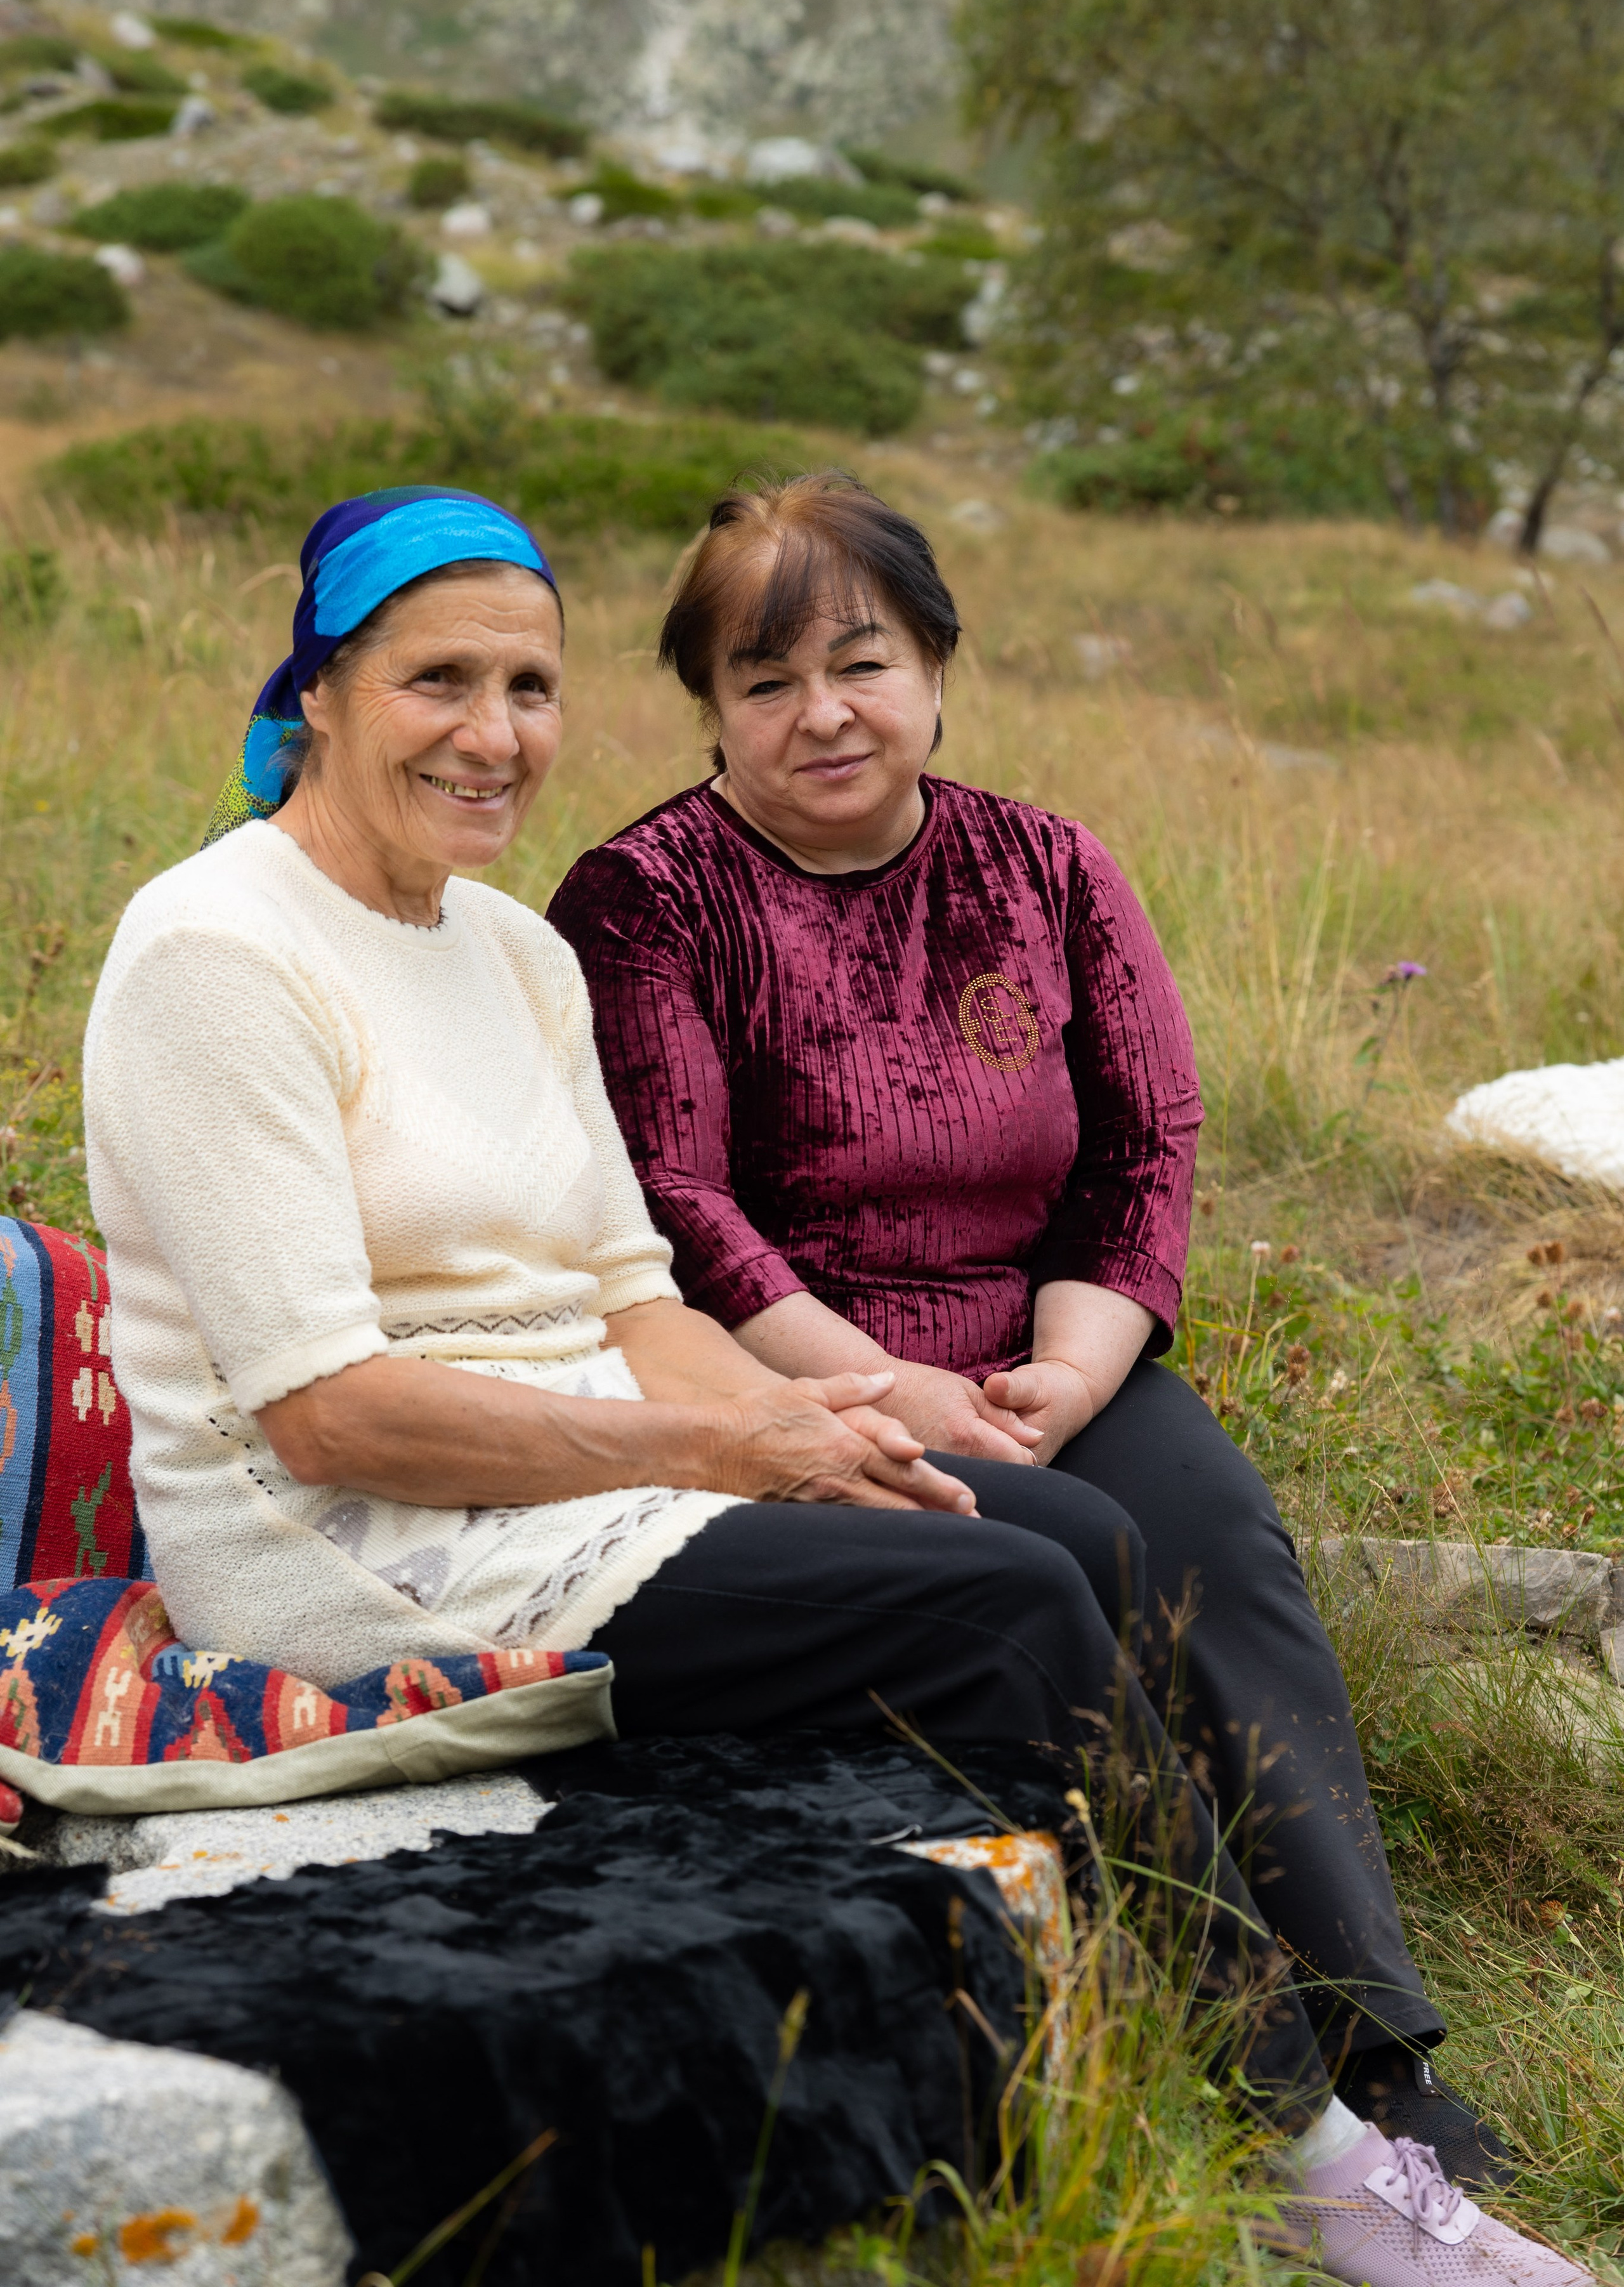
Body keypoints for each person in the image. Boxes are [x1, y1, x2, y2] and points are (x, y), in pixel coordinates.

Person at [84, 483, 1583, 2287]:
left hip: (589, 1469)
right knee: (1007, 1598)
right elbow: (328, 1413)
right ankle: (1305, 2148)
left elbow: (635, 1290)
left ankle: (1229, 2020)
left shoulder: (507, 949)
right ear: (320, 690)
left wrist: (815, 1426)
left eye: (532, 688)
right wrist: (730, 1435)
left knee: (1075, 1527)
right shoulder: (216, 952)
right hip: (367, 1534)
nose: (495, 737)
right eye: (439, 682)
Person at [551, 474, 1539, 2227]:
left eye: (861, 661)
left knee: (1218, 1549)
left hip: (1047, 1346)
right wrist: (869, 1382)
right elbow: (678, 1205)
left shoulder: (1048, 865)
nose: (823, 713)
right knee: (1055, 1576)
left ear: (935, 663)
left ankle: (1374, 2035)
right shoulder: (646, 899)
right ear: (707, 702)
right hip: (796, 1370)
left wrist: (1078, 1376)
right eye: (764, 680)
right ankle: (1209, 2027)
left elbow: (1145, 1149)